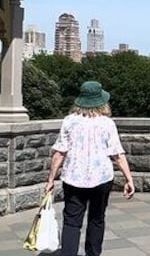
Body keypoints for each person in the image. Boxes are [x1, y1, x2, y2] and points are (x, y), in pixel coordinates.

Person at [45, 81, 135, 256]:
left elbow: (59, 153)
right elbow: (117, 154)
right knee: (97, 219)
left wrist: (50, 180)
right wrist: (128, 179)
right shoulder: (107, 123)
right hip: (101, 178)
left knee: (72, 222)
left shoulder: (69, 121)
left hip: (73, 177)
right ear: (102, 102)